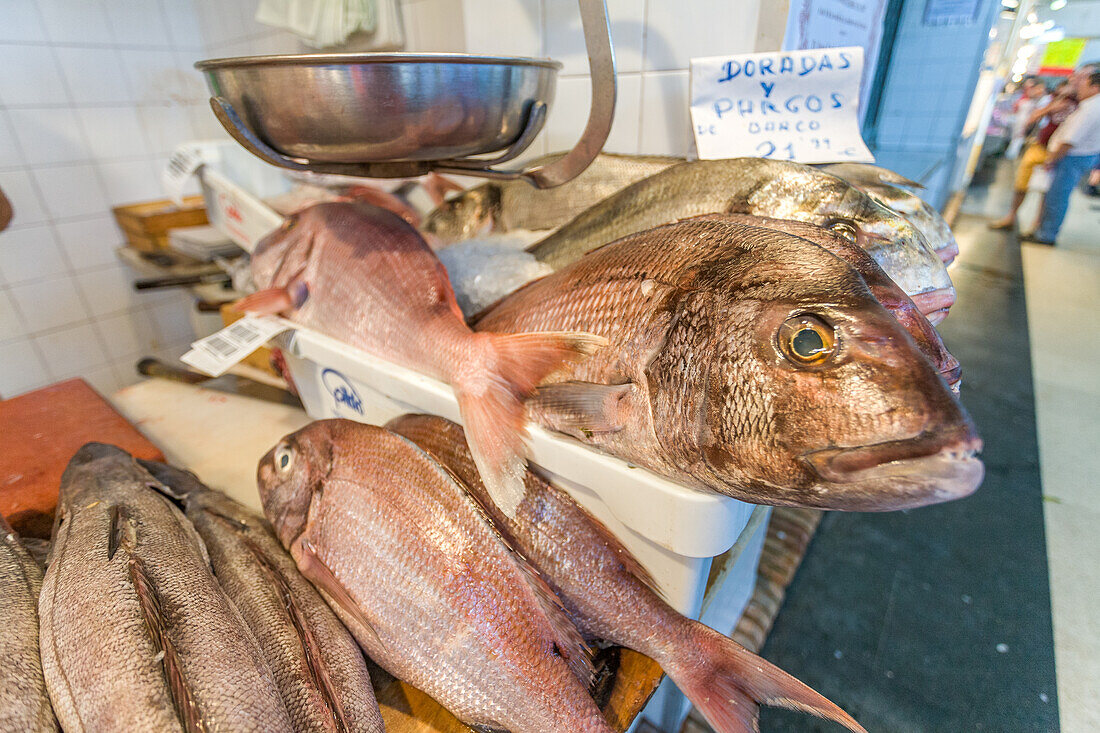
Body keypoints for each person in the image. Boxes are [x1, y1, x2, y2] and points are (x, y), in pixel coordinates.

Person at [1022, 70, 1100, 245]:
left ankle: (1046, 235)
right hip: (1074, 157)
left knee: (1057, 196)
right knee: (1055, 195)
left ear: (1095, 87)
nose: (1078, 85)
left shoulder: (1092, 108)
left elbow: (1070, 139)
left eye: (1083, 81)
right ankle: (1044, 231)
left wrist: (1052, 158)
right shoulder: (1089, 104)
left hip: (1072, 157)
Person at [989, 80, 1077, 230]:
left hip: (1059, 152)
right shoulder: (1051, 101)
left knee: (1047, 191)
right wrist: (1053, 105)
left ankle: (1037, 225)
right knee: (1021, 183)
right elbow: (1033, 118)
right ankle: (1011, 216)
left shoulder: (1079, 106)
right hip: (1039, 146)